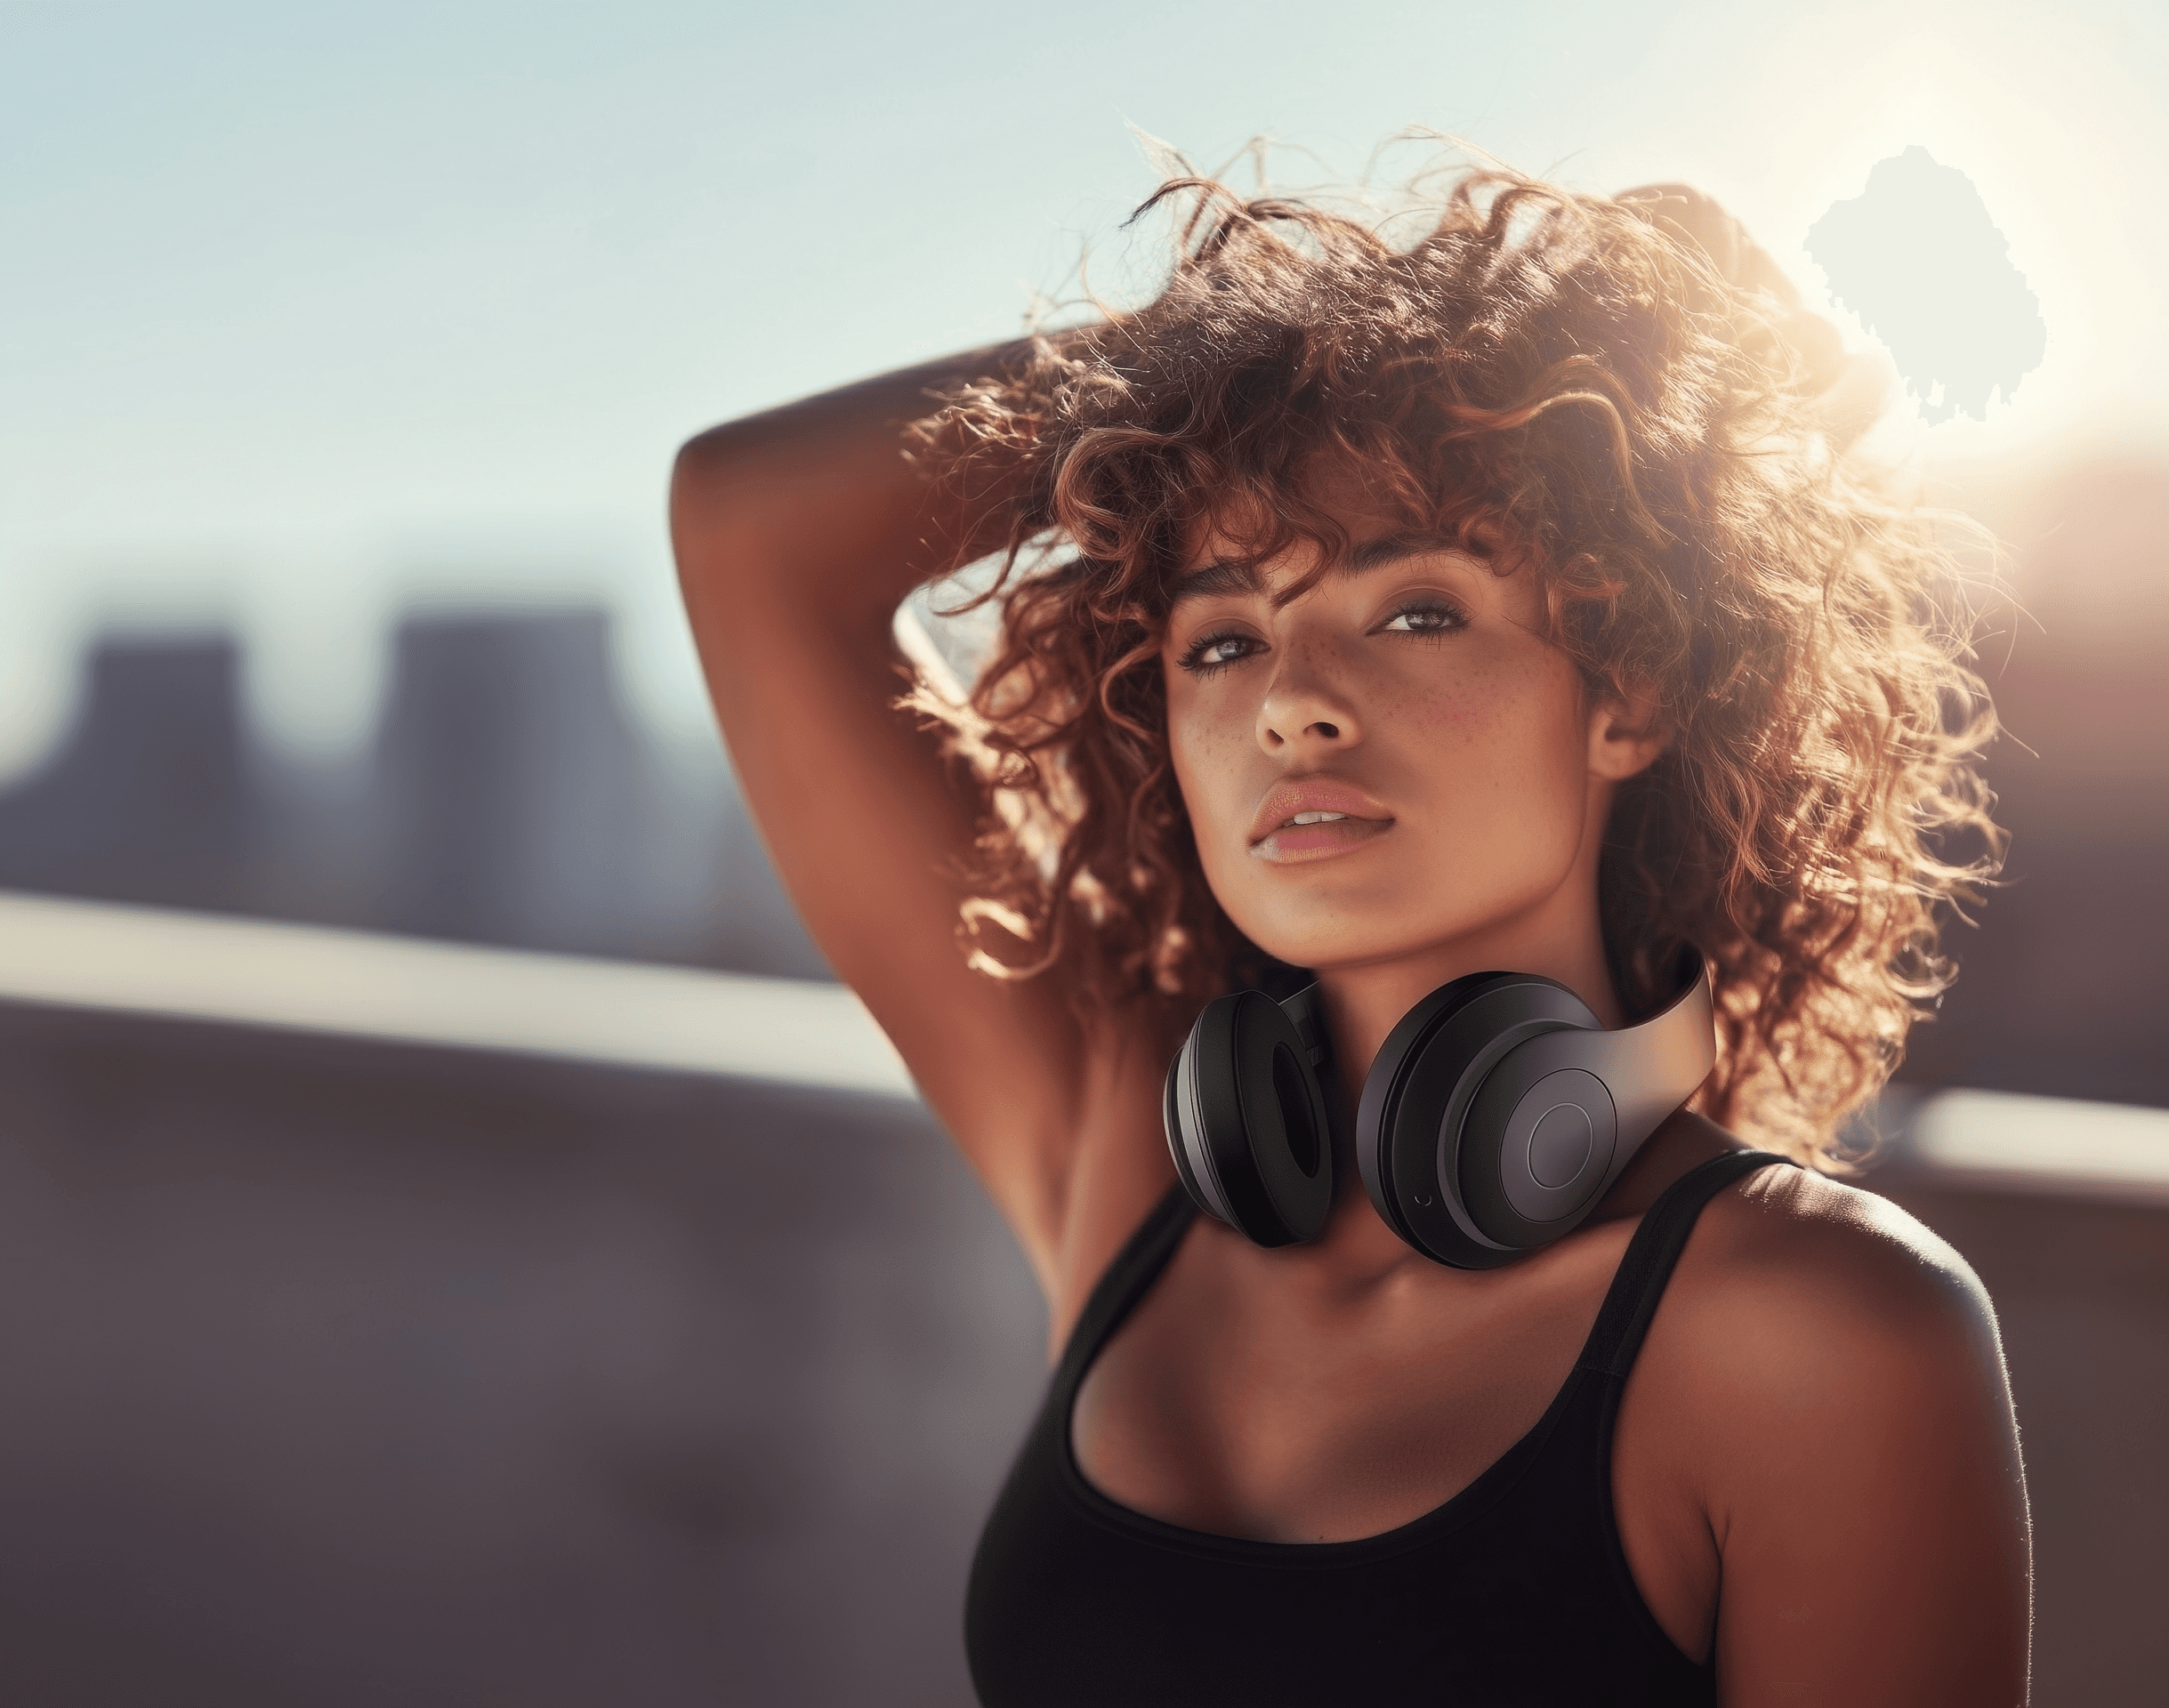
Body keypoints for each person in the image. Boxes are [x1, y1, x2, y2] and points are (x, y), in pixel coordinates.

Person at [670, 164, 2031, 1706]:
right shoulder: (1131, 1152)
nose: (1291, 703)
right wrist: (1252, 359)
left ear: (1630, 690)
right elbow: (744, 524)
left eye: (1415, 611)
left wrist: (1506, 353)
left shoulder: (1828, 1331)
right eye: (1223, 639)